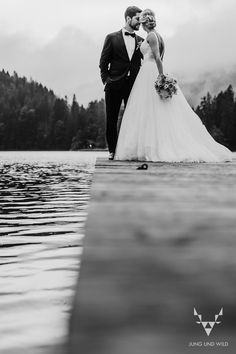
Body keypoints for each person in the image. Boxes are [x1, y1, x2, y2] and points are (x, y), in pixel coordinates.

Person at [114, 9, 232, 162]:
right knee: (153, 110)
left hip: (150, 72)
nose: (141, 26)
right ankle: (150, 145)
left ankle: (151, 147)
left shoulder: (151, 35)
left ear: (144, 23)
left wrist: (161, 77)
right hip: (148, 71)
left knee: (148, 110)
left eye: (141, 23)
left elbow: (157, 57)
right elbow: (152, 52)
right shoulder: (158, 36)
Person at [99, 6, 144, 160]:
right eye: (138, 18)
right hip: (114, 85)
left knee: (133, 119)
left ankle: (129, 150)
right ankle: (112, 150)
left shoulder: (142, 41)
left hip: (133, 86)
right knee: (111, 119)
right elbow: (103, 63)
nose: (140, 21)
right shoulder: (111, 38)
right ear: (128, 18)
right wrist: (106, 81)